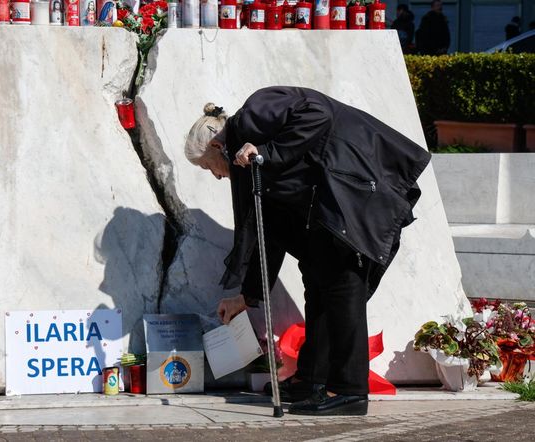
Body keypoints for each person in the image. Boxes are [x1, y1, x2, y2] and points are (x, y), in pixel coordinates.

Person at [184, 87, 431, 415]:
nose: (216, 175)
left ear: (217, 146)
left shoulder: (252, 114)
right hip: (331, 211)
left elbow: (318, 113)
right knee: (319, 280)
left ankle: (350, 391)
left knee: (344, 287)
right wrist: (247, 296)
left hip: (355, 197)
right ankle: (312, 380)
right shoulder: (250, 160)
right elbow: (266, 230)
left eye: (208, 167)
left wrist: (267, 152)